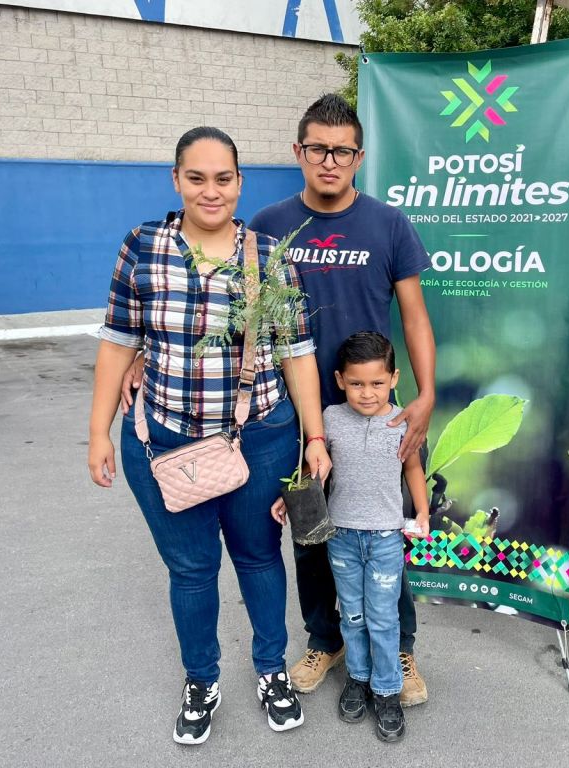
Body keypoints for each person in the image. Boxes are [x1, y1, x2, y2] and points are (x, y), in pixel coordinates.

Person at [122, 94, 436, 705]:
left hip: (372, 413)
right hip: (292, 418)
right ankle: (326, 640)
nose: (329, 160)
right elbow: (196, 299)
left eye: (342, 150)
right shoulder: (263, 228)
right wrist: (144, 349)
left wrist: (424, 396)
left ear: (359, 157)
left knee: (382, 529)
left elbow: (416, 317)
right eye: (317, 147)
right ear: (298, 151)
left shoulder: (388, 224)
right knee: (312, 534)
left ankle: (400, 646)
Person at [88, 126, 330, 746]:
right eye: (196, 177)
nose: (210, 190)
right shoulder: (142, 247)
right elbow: (119, 340)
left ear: (239, 183)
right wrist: (97, 433)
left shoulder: (269, 254)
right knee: (191, 571)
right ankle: (201, 680)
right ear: (176, 180)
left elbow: (298, 353)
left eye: (223, 178)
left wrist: (315, 439)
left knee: (257, 557)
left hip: (262, 436)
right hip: (165, 440)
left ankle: (271, 670)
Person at [271, 332, 430, 742]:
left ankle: (388, 689)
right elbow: (317, 469)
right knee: (354, 614)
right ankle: (357, 678)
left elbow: (413, 469)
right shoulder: (330, 420)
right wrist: (293, 497)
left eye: (377, 383)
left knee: (383, 616)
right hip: (341, 538)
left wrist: (423, 511)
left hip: (385, 540)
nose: (367, 393)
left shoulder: (402, 422)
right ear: (340, 380)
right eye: (357, 383)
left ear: (394, 379)